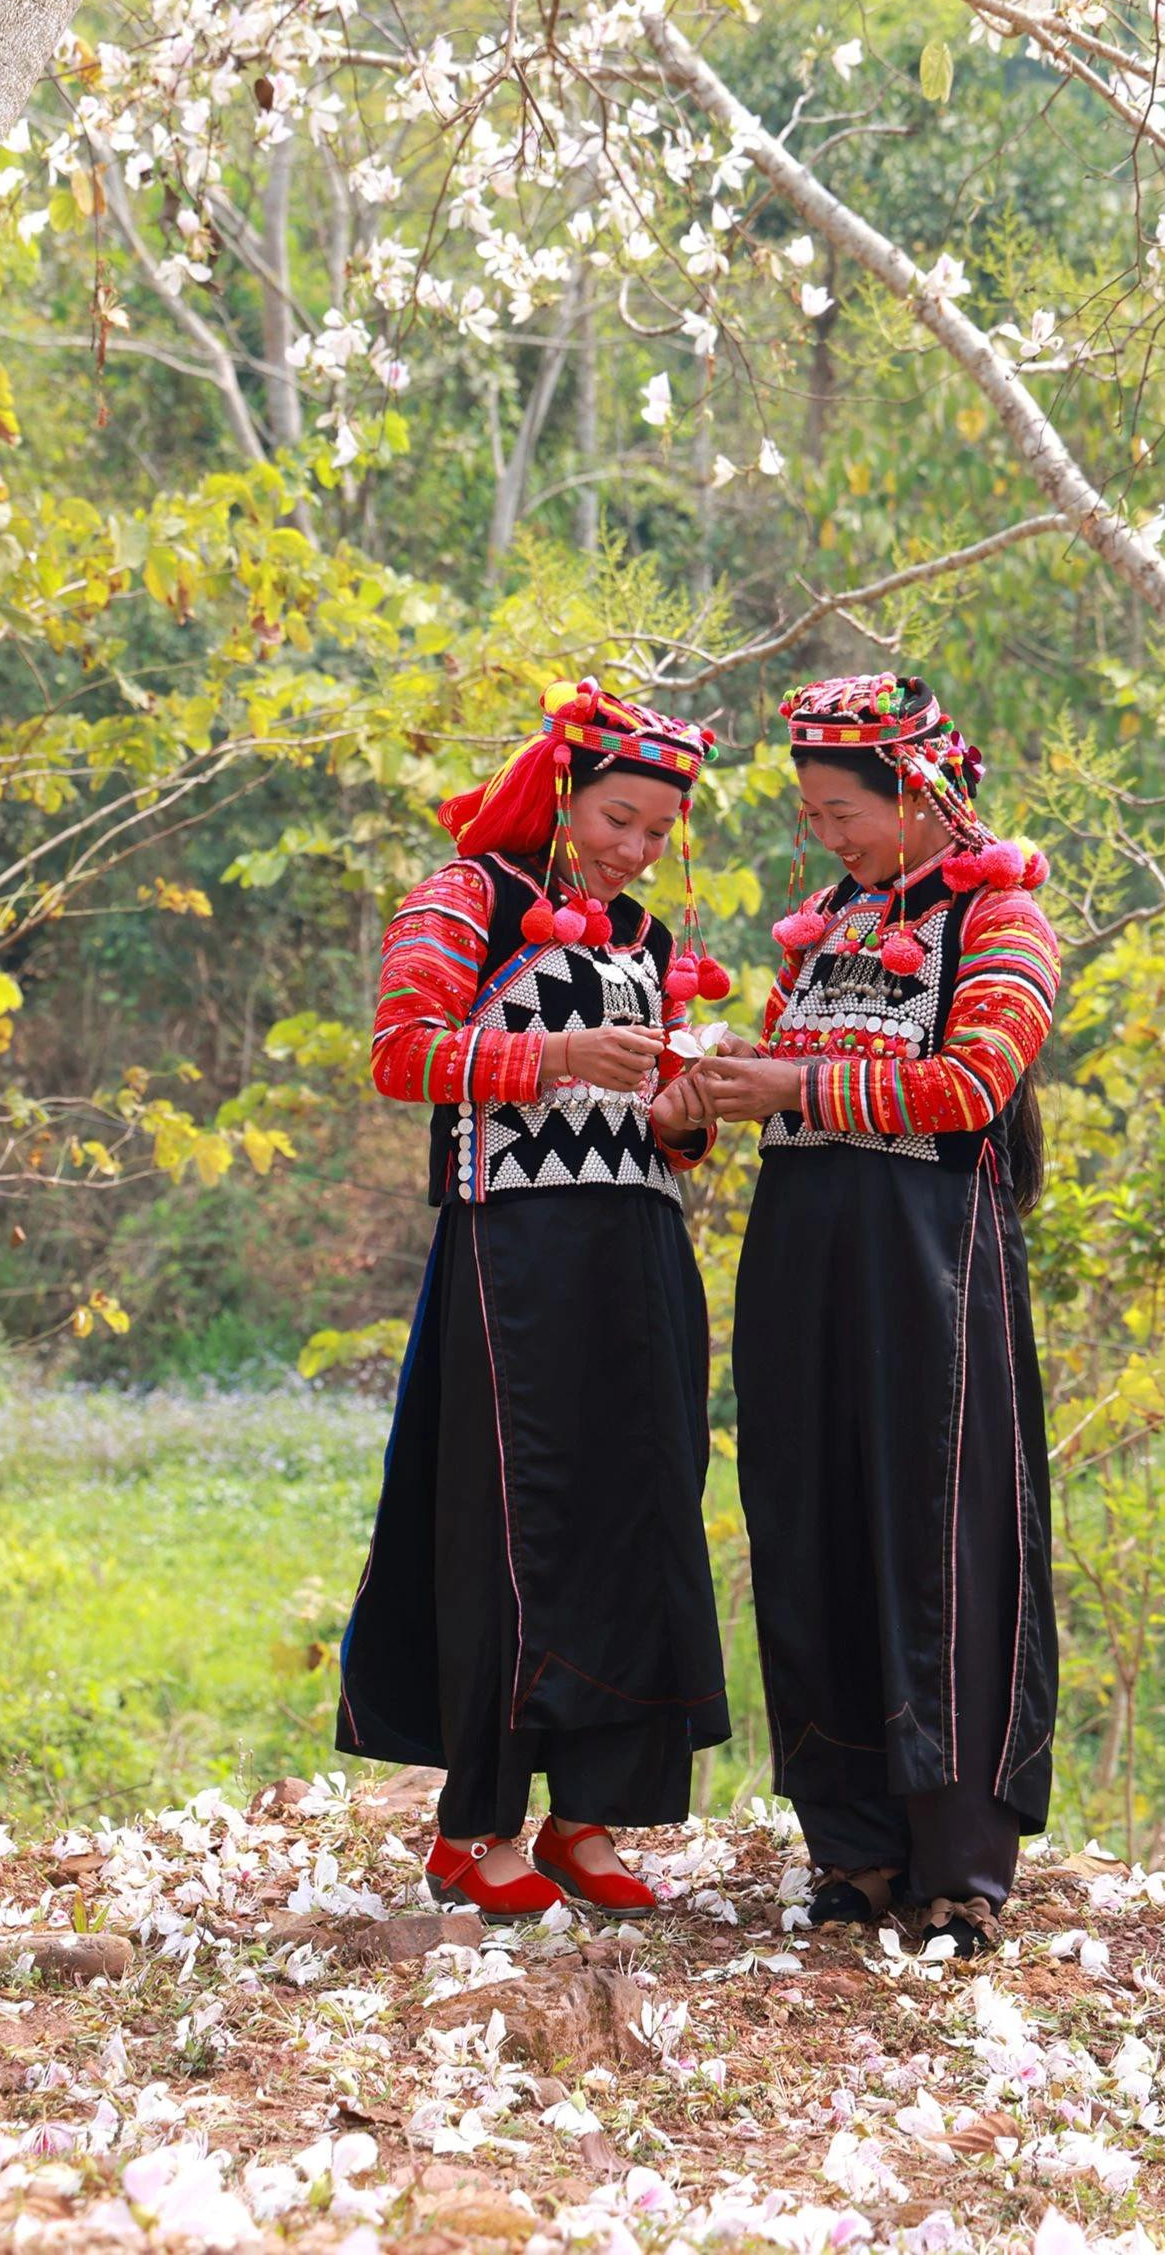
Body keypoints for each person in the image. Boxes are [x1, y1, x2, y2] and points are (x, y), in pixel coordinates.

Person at [335, 678, 732, 1918]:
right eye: (616, 819)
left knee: (642, 1513)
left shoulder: (649, 945)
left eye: (657, 833)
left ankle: (589, 1817)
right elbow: (402, 1054)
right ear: (561, 796)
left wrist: (680, 1115)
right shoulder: (465, 898)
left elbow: (656, 1120)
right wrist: (553, 1057)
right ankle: (476, 1825)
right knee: (520, 1524)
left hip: (640, 1254)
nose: (633, 849)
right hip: (515, 1252)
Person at [690, 673, 1061, 1955]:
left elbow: (966, 1086)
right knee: (811, 1522)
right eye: (815, 813)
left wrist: (788, 1081)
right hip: (801, 1261)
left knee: (935, 1532)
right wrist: (709, 1088)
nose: (831, 836)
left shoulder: (1002, 923)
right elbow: (779, 1068)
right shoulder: (829, 930)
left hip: (928, 1276)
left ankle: (958, 1866)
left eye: (845, 809)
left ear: (919, 798)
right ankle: (847, 1848)